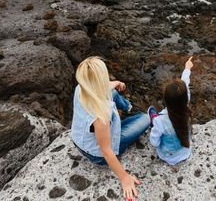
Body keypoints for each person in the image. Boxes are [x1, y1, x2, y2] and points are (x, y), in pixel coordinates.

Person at [71, 56, 150, 200]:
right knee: (145, 118)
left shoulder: (80, 88)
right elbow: (106, 151)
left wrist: (117, 83)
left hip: (78, 140)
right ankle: (133, 113)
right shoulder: (101, 117)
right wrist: (125, 178)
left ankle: (128, 108)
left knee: (113, 92)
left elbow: (103, 86)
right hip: (97, 154)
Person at [148, 56, 193, 165]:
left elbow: (154, 142)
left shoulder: (160, 122)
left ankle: (152, 118)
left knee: (157, 123)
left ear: (166, 100)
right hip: (185, 152)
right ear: (186, 98)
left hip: (168, 156)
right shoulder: (186, 106)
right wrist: (187, 69)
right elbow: (185, 84)